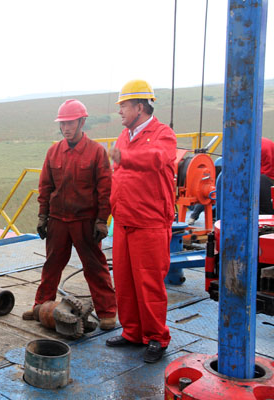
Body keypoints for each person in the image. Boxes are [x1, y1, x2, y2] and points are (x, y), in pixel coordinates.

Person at [22, 100, 117, 331]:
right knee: (52, 265)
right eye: (63, 124)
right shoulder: (54, 152)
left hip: (85, 221)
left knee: (94, 266)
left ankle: (107, 312)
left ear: (82, 122)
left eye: (70, 123)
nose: (66, 128)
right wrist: (43, 216)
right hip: (58, 220)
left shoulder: (96, 152)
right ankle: (40, 306)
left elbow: (105, 190)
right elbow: (45, 187)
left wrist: (101, 221)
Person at [107, 79, 177, 363]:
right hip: (124, 221)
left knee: (149, 283)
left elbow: (157, 158)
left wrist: (126, 157)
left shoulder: (163, 135)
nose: (120, 111)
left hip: (150, 223)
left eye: (124, 105)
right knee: (124, 281)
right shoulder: (124, 136)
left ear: (139, 107)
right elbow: (118, 175)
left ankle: (156, 337)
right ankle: (132, 332)